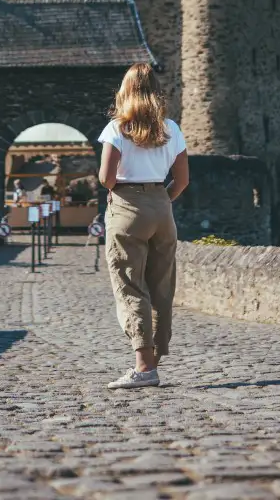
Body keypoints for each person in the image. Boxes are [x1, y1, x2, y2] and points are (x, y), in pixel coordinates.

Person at [98, 62, 189, 390]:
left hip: (127, 206)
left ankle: (143, 367)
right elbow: (182, 180)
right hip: (162, 207)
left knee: (130, 284)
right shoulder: (171, 129)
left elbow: (106, 177)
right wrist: (160, 200)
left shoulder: (117, 128)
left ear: (126, 90)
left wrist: (126, 194)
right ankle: (153, 360)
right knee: (161, 286)